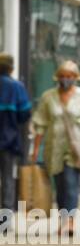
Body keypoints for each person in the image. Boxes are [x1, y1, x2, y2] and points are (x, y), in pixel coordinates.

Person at [30, 61, 80, 237]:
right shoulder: (48, 97)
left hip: (76, 148)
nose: (65, 80)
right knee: (60, 186)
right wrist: (35, 148)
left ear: (76, 78)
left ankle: (69, 221)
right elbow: (40, 123)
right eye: (62, 76)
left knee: (71, 183)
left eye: (69, 76)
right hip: (54, 146)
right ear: (57, 77)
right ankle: (64, 219)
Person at [0, 53, 31, 229]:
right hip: (8, 140)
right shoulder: (16, 87)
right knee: (7, 179)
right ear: (11, 68)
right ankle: (5, 221)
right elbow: (24, 113)